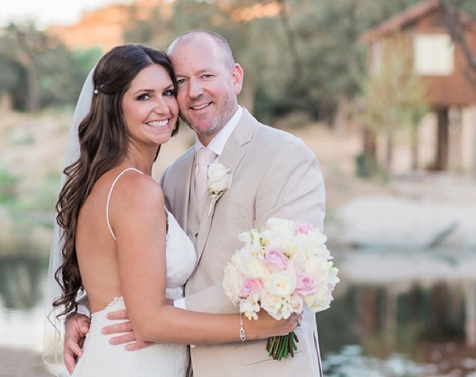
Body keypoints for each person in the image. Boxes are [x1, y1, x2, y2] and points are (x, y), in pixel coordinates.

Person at [64, 30, 326, 376]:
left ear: (235, 77)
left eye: (206, 76)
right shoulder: (171, 175)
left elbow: (290, 274)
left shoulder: (286, 157)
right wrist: (92, 310)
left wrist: (163, 313)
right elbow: (137, 265)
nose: (194, 92)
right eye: (182, 82)